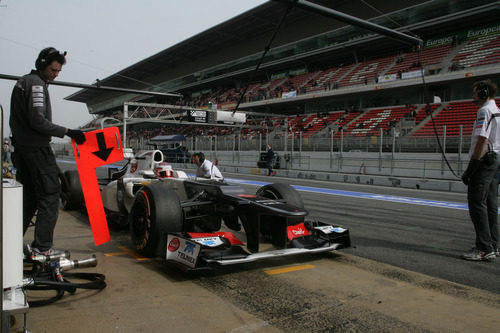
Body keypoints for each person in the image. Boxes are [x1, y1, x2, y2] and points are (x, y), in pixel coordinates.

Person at [10, 47, 86, 256]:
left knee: (30, 198)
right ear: (42, 65)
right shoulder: (35, 84)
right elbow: (37, 120)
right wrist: (69, 132)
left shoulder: (24, 81)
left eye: (58, 71)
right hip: (36, 149)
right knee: (51, 194)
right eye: (53, 70)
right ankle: (42, 248)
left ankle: (10, 244)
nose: (56, 75)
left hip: (23, 150)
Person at [461, 79, 500, 261]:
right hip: (495, 160)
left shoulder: (484, 111)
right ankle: (493, 243)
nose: (473, 95)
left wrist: (472, 168)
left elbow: (482, 141)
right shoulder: (496, 110)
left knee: (477, 203)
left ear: (484, 93)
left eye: (475, 92)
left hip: (484, 162)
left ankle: (484, 248)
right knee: (491, 204)